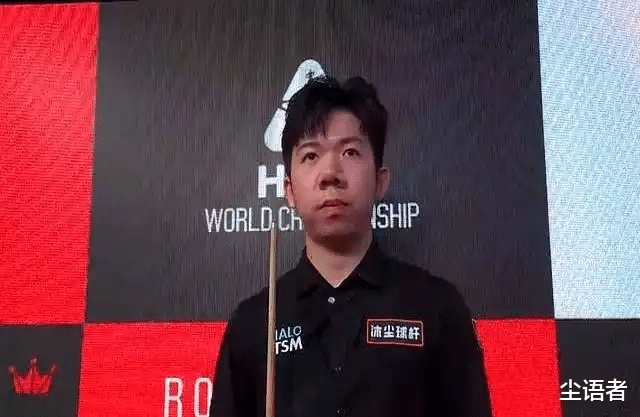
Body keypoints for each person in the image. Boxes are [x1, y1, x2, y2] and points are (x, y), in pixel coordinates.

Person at [209, 75, 493, 417]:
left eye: (350, 152)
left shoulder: (438, 308)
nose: (330, 173)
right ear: (289, 190)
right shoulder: (254, 323)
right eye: (311, 155)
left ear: (380, 181)